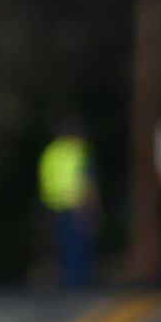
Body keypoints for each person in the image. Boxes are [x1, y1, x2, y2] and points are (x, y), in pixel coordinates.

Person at [37, 122, 98, 291]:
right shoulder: (79, 151)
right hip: (77, 203)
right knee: (77, 243)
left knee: (62, 243)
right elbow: (88, 180)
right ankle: (77, 280)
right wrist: (92, 204)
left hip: (53, 203)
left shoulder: (51, 151)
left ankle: (67, 278)